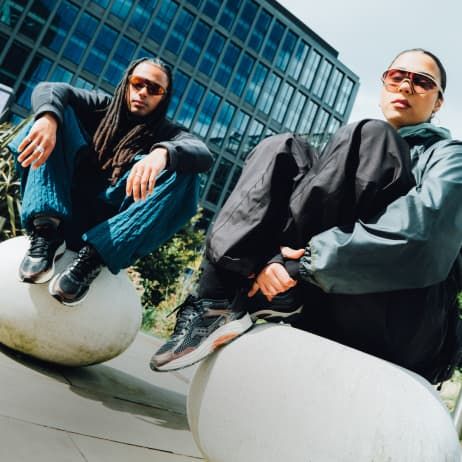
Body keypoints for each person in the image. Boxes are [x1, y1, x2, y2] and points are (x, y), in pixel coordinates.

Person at [151, 48, 462, 385]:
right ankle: (214, 301)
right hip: (334, 293)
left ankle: (286, 283)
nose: (405, 86)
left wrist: (299, 266)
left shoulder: (450, 157)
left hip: (408, 321)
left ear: (438, 102)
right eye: (396, 77)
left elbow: (423, 236)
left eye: (421, 82)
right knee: (282, 149)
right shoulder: (353, 154)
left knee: (370, 135)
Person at [8, 57, 213, 306]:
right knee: (51, 114)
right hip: (62, 211)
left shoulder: (167, 133)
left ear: (164, 97)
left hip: (107, 235)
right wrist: (48, 119)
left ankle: (90, 262)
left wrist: (163, 153)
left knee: (184, 172)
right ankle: (45, 233)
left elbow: (203, 154)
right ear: (127, 83)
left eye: (154, 89)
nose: (143, 92)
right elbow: (50, 89)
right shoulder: (99, 107)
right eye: (138, 83)